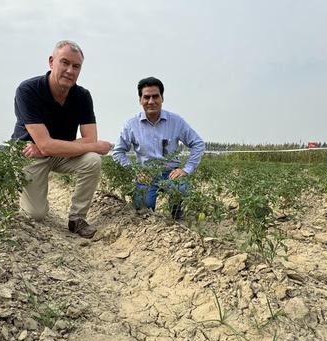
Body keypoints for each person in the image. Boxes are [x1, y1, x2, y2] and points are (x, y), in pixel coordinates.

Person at [11, 40, 112, 238]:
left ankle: (77, 219)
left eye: (76, 66)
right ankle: (30, 195)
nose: (69, 70)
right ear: (51, 62)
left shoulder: (82, 96)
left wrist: (48, 146)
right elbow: (89, 142)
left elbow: (89, 138)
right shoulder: (28, 90)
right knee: (35, 214)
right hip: (29, 153)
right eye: (64, 62)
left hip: (56, 152)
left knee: (92, 160)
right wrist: (46, 146)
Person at [112, 77, 205, 220]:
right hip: (146, 175)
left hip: (171, 173)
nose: (151, 101)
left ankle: (177, 211)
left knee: (181, 190)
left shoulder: (176, 121)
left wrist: (186, 169)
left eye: (155, 96)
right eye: (146, 97)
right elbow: (118, 152)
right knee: (144, 208)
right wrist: (135, 171)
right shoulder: (131, 125)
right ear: (140, 100)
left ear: (162, 98)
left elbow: (198, 143)